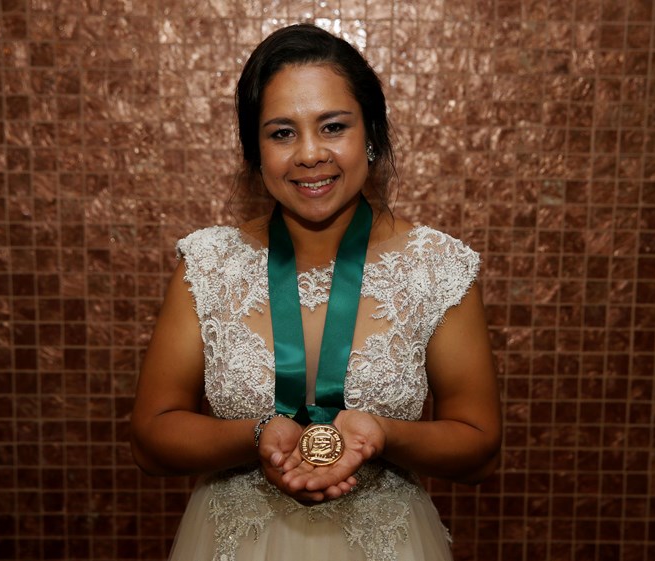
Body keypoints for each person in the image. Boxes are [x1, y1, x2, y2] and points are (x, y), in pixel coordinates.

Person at [130, 23, 502, 561]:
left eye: (332, 127)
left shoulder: (437, 267)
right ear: (254, 151)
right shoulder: (209, 263)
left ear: (370, 133)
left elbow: (481, 450)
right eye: (282, 133)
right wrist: (255, 436)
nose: (309, 154)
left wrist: (384, 434)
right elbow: (150, 438)